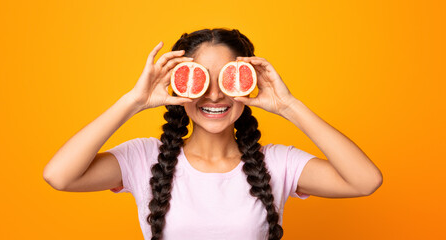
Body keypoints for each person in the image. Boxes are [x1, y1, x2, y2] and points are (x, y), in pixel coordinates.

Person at [43, 28, 383, 240]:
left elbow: (365, 181)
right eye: (200, 80)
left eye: (227, 80)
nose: (216, 95)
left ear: (249, 83)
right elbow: (59, 176)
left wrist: (288, 105)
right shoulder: (144, 158)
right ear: (178, 86)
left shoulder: (277, 163)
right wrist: (134, 101)